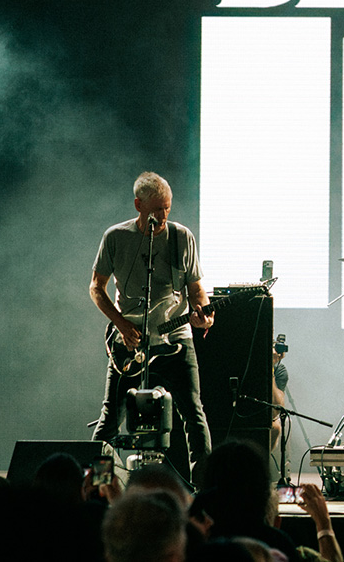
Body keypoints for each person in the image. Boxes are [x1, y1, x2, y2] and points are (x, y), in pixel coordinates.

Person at [90, 172, 214, 483]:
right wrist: (120, 324)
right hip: (129, 340)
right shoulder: (115, 237)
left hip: (175, 337)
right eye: (156, 209)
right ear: (138, 205)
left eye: (167, 208)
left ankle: (204, 487)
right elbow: (96, 287)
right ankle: (98, 485)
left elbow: (196, 289)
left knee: (194, 416)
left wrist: (203, 314)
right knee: (109, 419)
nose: (162, 215)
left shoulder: (181, 238)